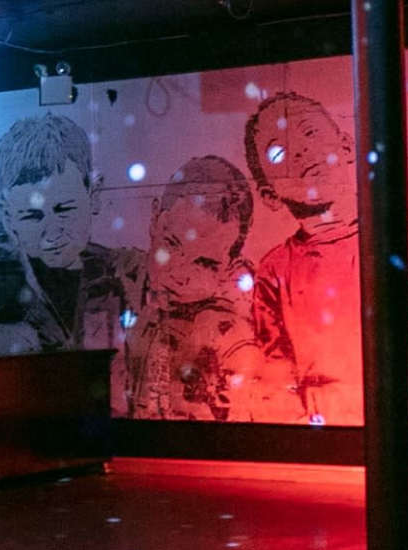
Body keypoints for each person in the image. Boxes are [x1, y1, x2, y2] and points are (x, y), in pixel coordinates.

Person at [242, 90, 408, 423]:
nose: (301, 152)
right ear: (268, 194)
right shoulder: (274, 269)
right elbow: (275, 375)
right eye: (279, 152)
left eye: (310, 132)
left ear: (347, 145)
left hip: (402, 434)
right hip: (319, 443)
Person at [120, 157, 290, 419]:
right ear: (155, 219)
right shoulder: (128, 294)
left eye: (204, 263)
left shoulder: (228, 337)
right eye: (172, 245)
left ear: (230, 267)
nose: (179, 274)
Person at [0, 108, 134, 355]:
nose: (52, 233)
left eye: (64, 209)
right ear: (7, 215)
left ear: (93, 196)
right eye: (31, 216)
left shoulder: (127, 276)